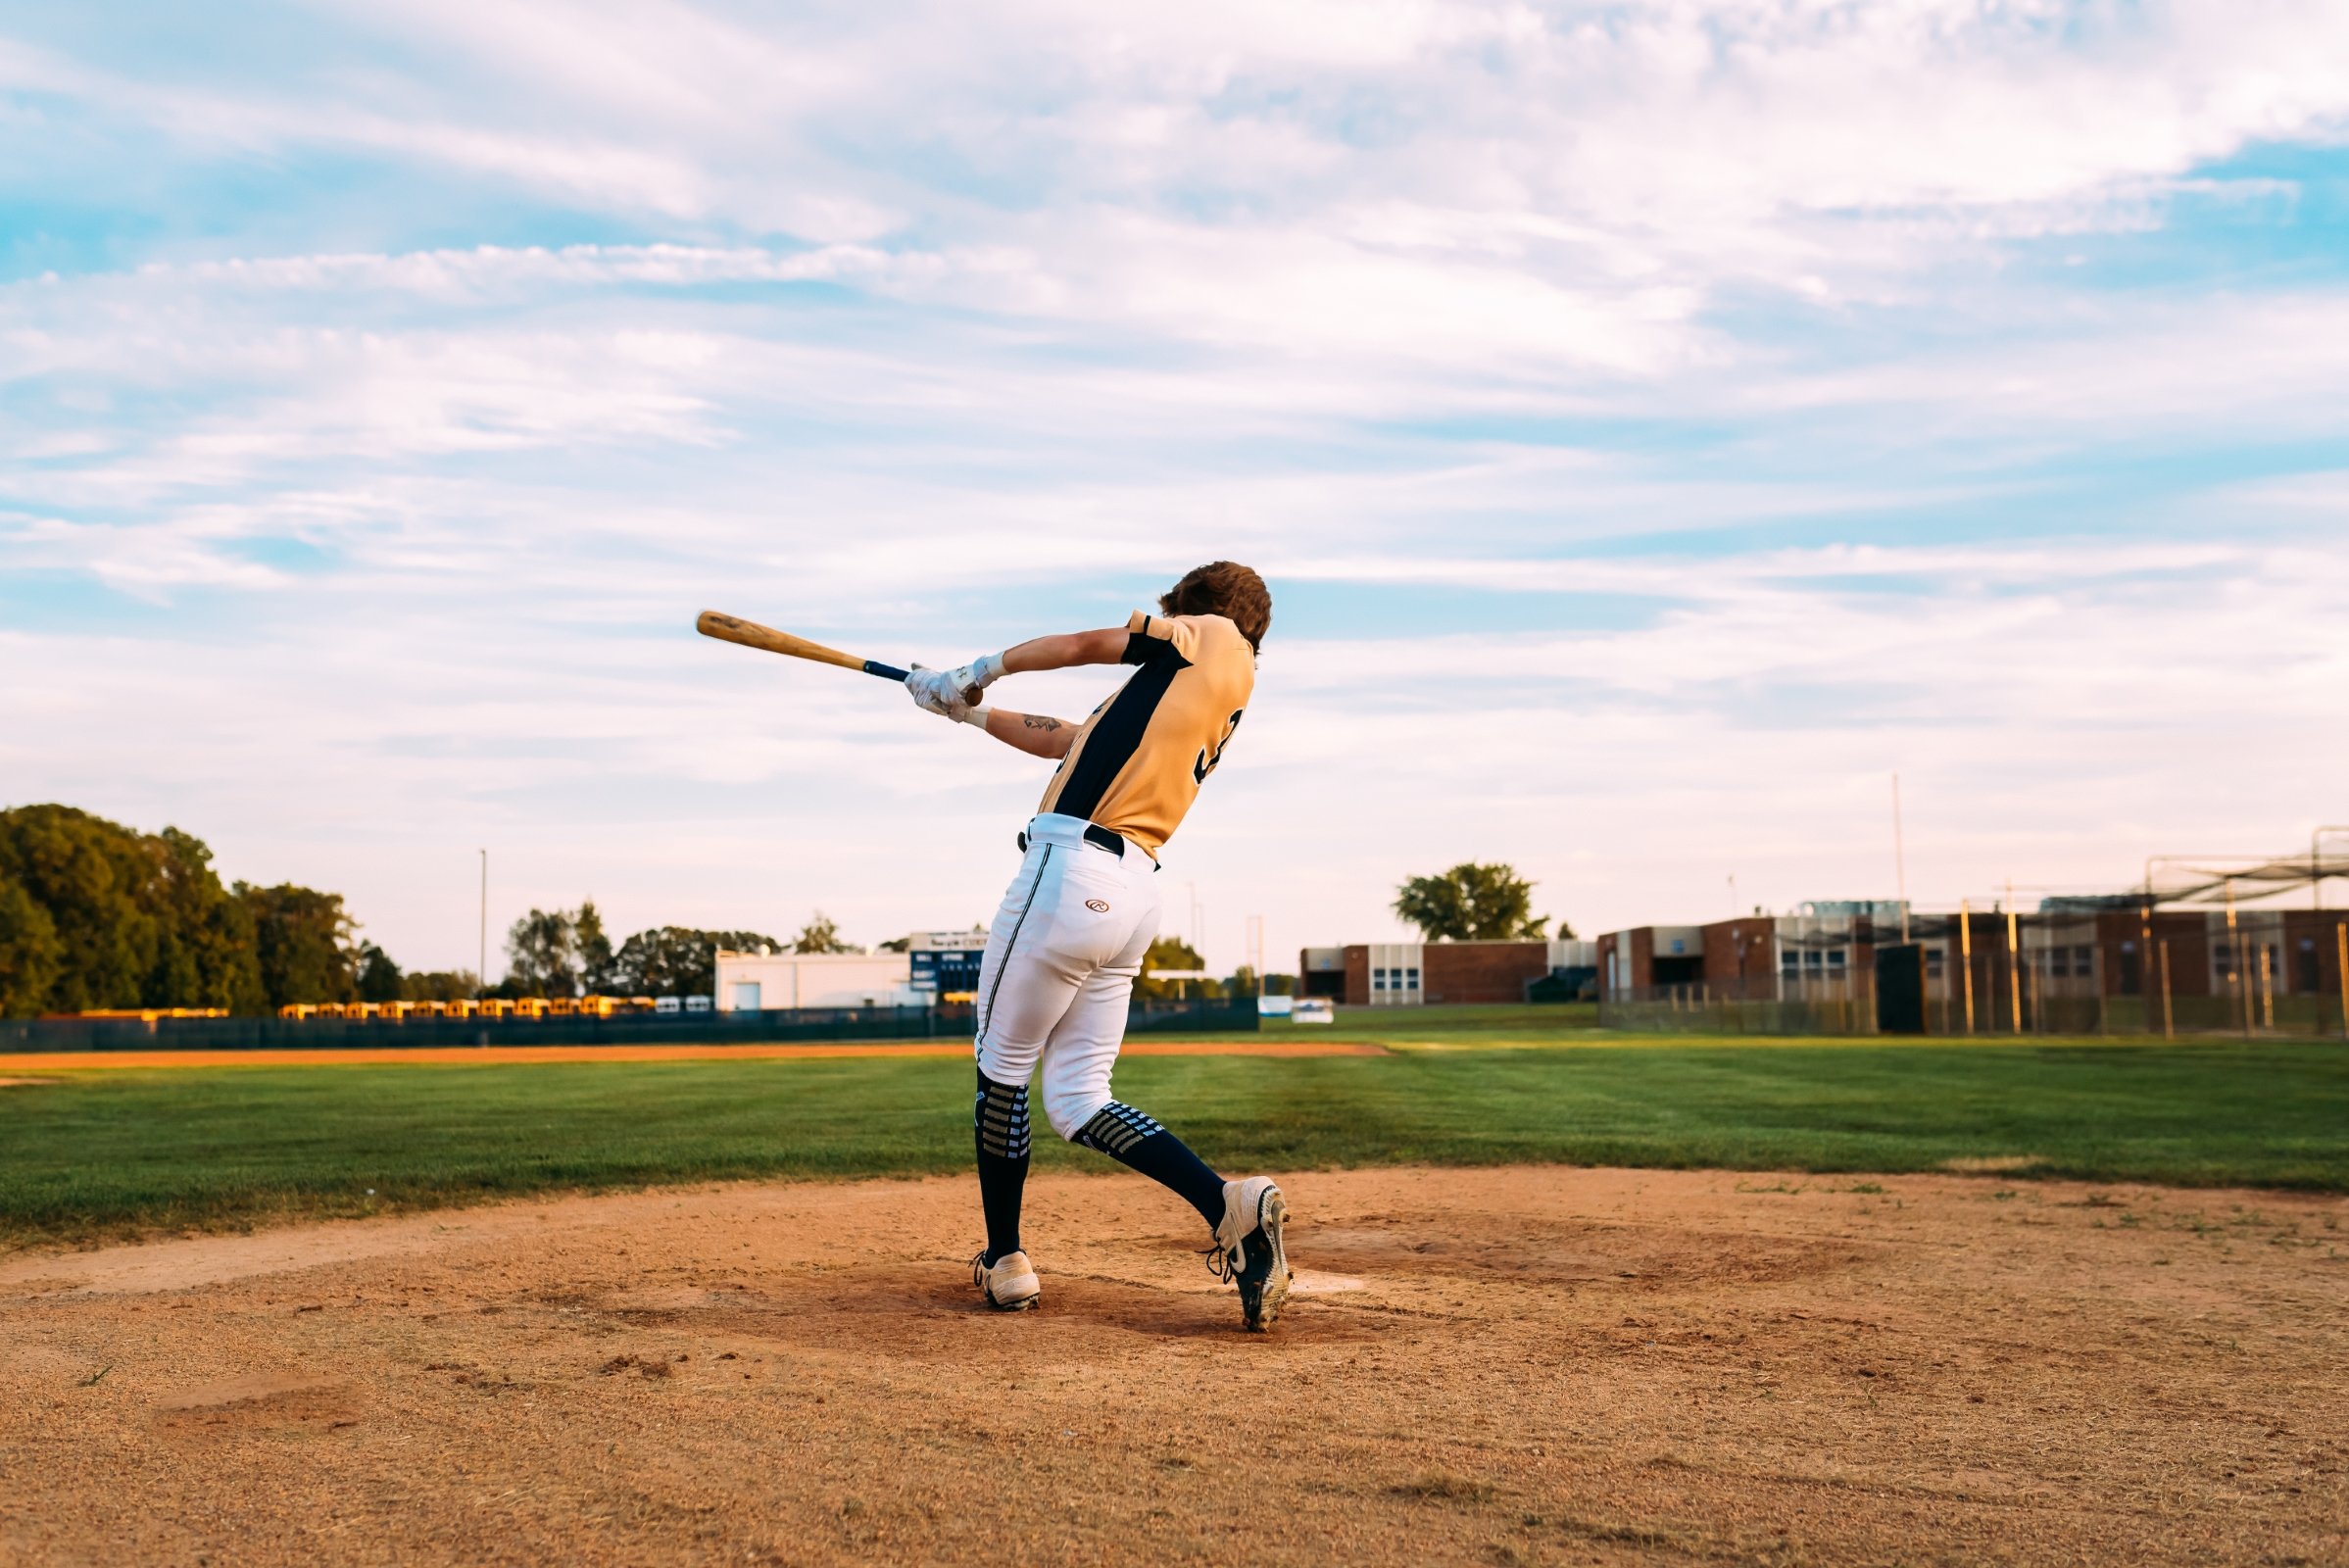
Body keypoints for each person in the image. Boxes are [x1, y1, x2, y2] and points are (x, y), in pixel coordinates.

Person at [904, 561, 1290, 1331]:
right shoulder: (1204, 685)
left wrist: (973, 670)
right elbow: (1071, 743)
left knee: (1000, 1068)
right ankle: (1226, 1203)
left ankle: (1005, 1259)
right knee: (1080, 1098)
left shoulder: (1208, 634)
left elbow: (1085, 641)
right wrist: (965, 711)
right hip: (1129, 891)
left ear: (1194, 606)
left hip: (1066, 869)